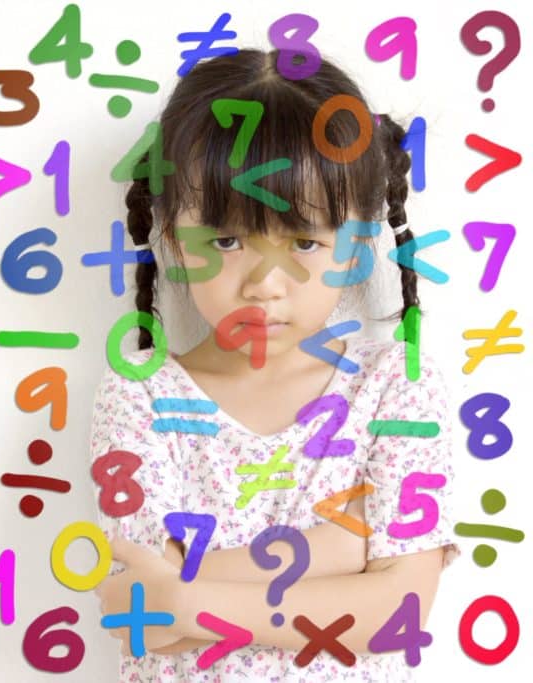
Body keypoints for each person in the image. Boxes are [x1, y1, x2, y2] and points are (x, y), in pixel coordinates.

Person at [91, 48, 458, 681]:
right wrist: (344, 548)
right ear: (176, 237)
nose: (266, 283)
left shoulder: (397, 385)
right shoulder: (140, 393)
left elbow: (397, 613)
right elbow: (142, 616)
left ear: (355, 245)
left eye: (305, 242)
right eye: (228, 241)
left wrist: (186, 594)